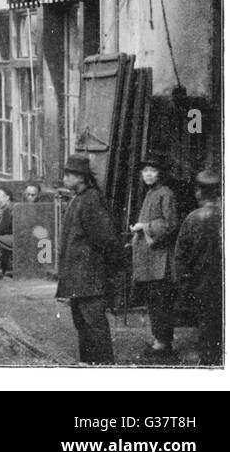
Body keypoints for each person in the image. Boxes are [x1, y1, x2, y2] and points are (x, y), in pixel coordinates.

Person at [55, 154, 124, 364]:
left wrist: (109, 271)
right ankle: (87, 365)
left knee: (94, 325)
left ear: (81, 177)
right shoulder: (80, 198)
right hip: (79, 277)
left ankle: (104, 369)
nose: (65, 178)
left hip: (90, 277)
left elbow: (107, 239)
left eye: (69, 174)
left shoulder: (91, 200)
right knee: (82, 324)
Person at [129, 156, 181, 360]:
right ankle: (160, 340)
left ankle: (163, 343)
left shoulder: (165, 193)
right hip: (150, 258)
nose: (148, 174)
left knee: (160, 301)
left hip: (160, 260)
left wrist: (145, 227)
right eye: (145, 171)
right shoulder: (151, 193)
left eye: (153, 170)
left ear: (160, 173)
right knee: (154, 301)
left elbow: (170, 225)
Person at [173, 168, 222, 366]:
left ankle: (209, 363)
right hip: (221, 283)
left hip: (200, 284)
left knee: (206, 327)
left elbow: (180, 257)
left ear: (198, 192)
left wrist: (183, 286)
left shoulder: (192, 218)